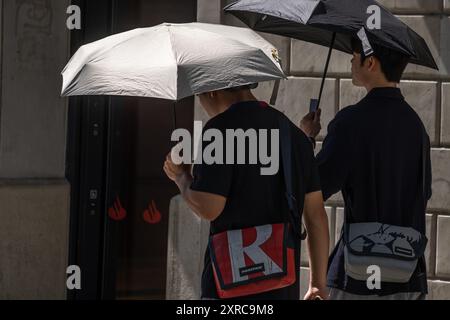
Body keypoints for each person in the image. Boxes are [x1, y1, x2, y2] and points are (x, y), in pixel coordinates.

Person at [164, 84, 330, 300]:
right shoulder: (294, 135)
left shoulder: (219, 130)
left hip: (228, 288)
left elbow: (209, 207)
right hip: (281, 287)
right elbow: (316, 216)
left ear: (212, 91)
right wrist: (317, 283)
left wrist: (181, 177)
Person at [300, 38, 432, 300]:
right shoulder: (416, 126)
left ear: (370, 62)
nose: (351, 60)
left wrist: (306, 139)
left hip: (357, 275)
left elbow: (314, 186)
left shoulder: (351, 122)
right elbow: (424, 193)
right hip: (409, 274)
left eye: (355, 54)